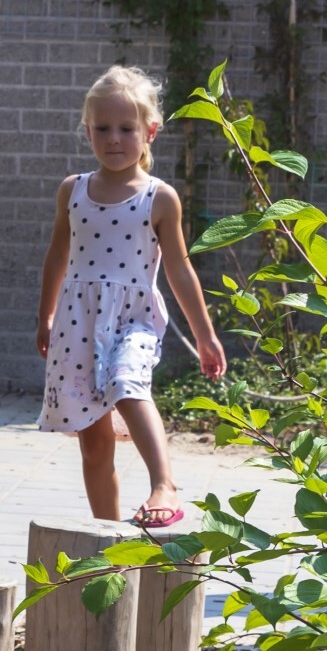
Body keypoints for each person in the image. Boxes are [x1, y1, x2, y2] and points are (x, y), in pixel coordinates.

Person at [35, 66, 226, 527]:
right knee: (94, 443)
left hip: (133, 319)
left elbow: (179, 269)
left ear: (150, 133)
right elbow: (57, 255)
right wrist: (46, 316)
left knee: (126, 382)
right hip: (77, 324)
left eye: (126, 128)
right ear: (87, 130)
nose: (114, 139)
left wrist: (205, 335)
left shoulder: (159, 198)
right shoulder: (73, 191)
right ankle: (109, 533)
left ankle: (165, 482)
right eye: (103, 128)